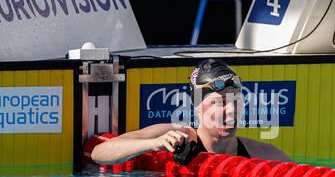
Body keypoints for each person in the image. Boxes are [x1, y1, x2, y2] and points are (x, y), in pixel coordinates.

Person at [91, 59, 293, 165]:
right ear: (197, 108)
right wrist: (154, 144)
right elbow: (99, 152)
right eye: (220, 102)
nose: (231, 110)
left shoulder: (261, 153)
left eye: (236, 101)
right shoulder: (175, 135)